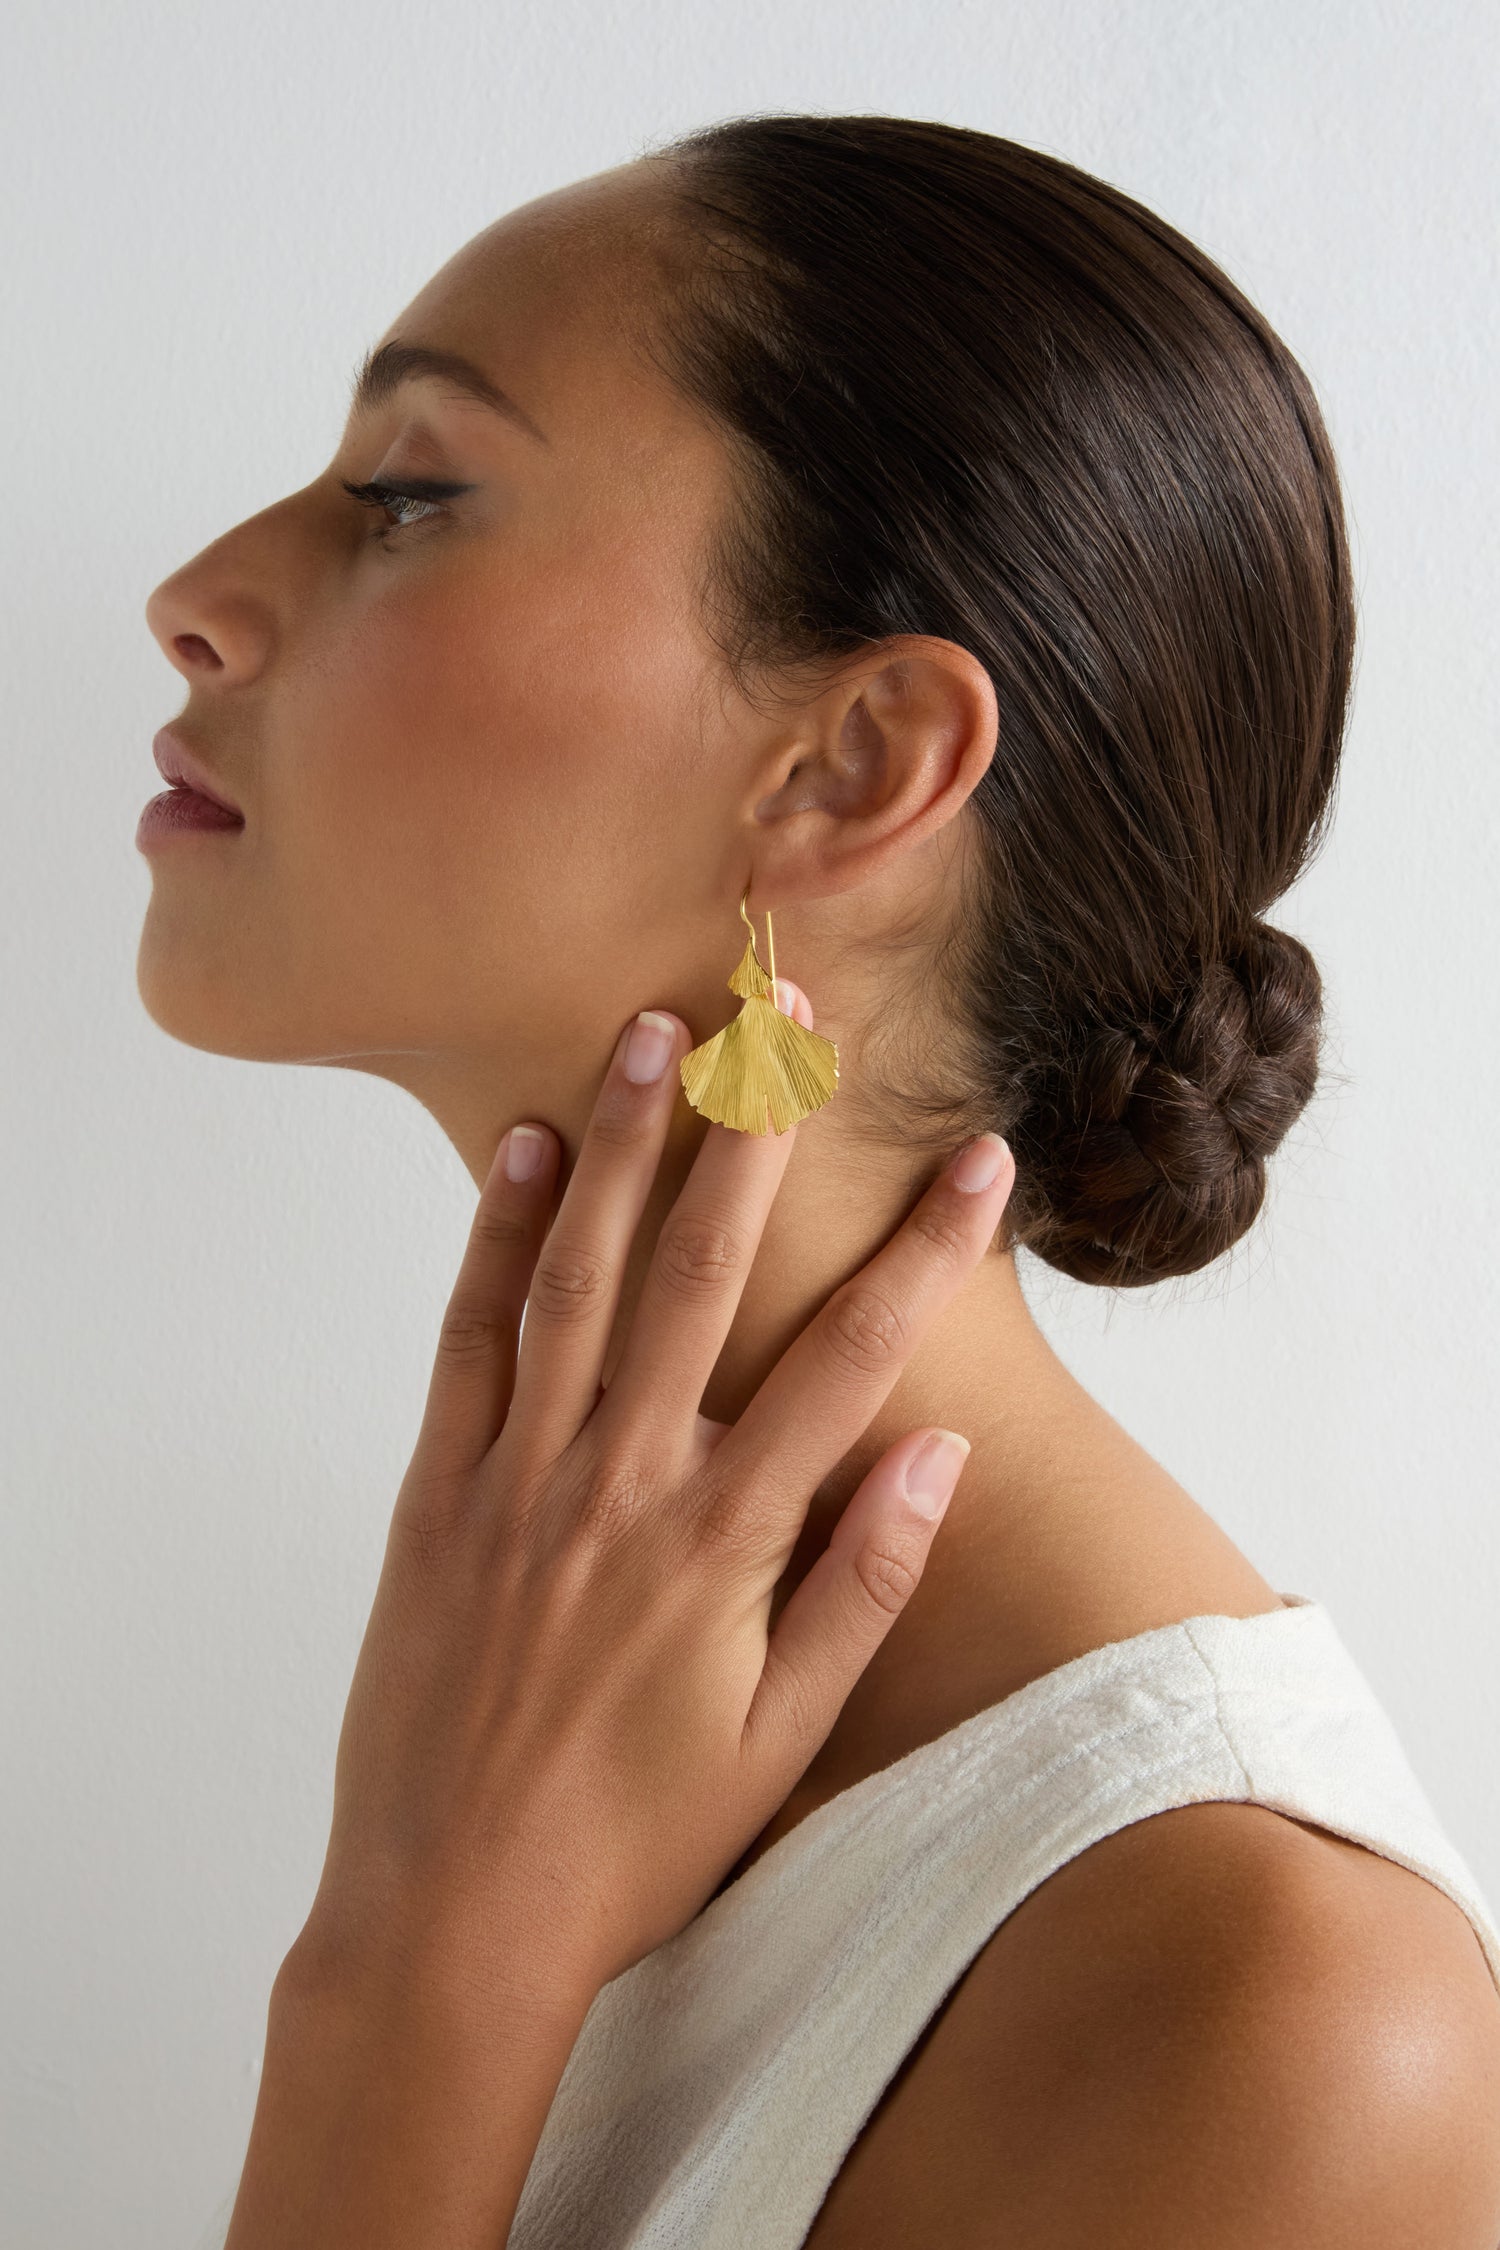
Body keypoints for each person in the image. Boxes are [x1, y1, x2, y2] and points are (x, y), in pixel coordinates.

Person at [138, 114, 1500, 2250]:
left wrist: (411, 1998)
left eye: (406, 496)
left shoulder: (1273, 2012)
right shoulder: (529, 1659)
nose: (198, 598)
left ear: (854, 767)